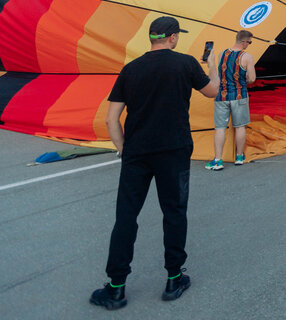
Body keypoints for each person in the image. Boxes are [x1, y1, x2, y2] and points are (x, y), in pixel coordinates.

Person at [91, 17, 220, 310]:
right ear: (172, 37)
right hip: (173, 151)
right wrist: (212, 64)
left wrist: (125, 150)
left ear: (152, 38)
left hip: (137, 153)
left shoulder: (130, 69)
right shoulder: (185, 64)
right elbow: (212, 91)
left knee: (126, 217)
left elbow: (111, 119)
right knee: (174, 213)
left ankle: (115, 288)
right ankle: (174, 279)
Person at [206, 30, 257, 170]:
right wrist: (244, 79)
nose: (249, 45)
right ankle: (239, 157)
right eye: (250, 42)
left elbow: (219, 73)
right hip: (239, 96)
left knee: (220, 129)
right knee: (240, 126)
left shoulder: (223, 53)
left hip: (221, 96)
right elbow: (252, 79)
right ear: (244, 42)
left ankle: (217, 160)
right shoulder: (247, 57)